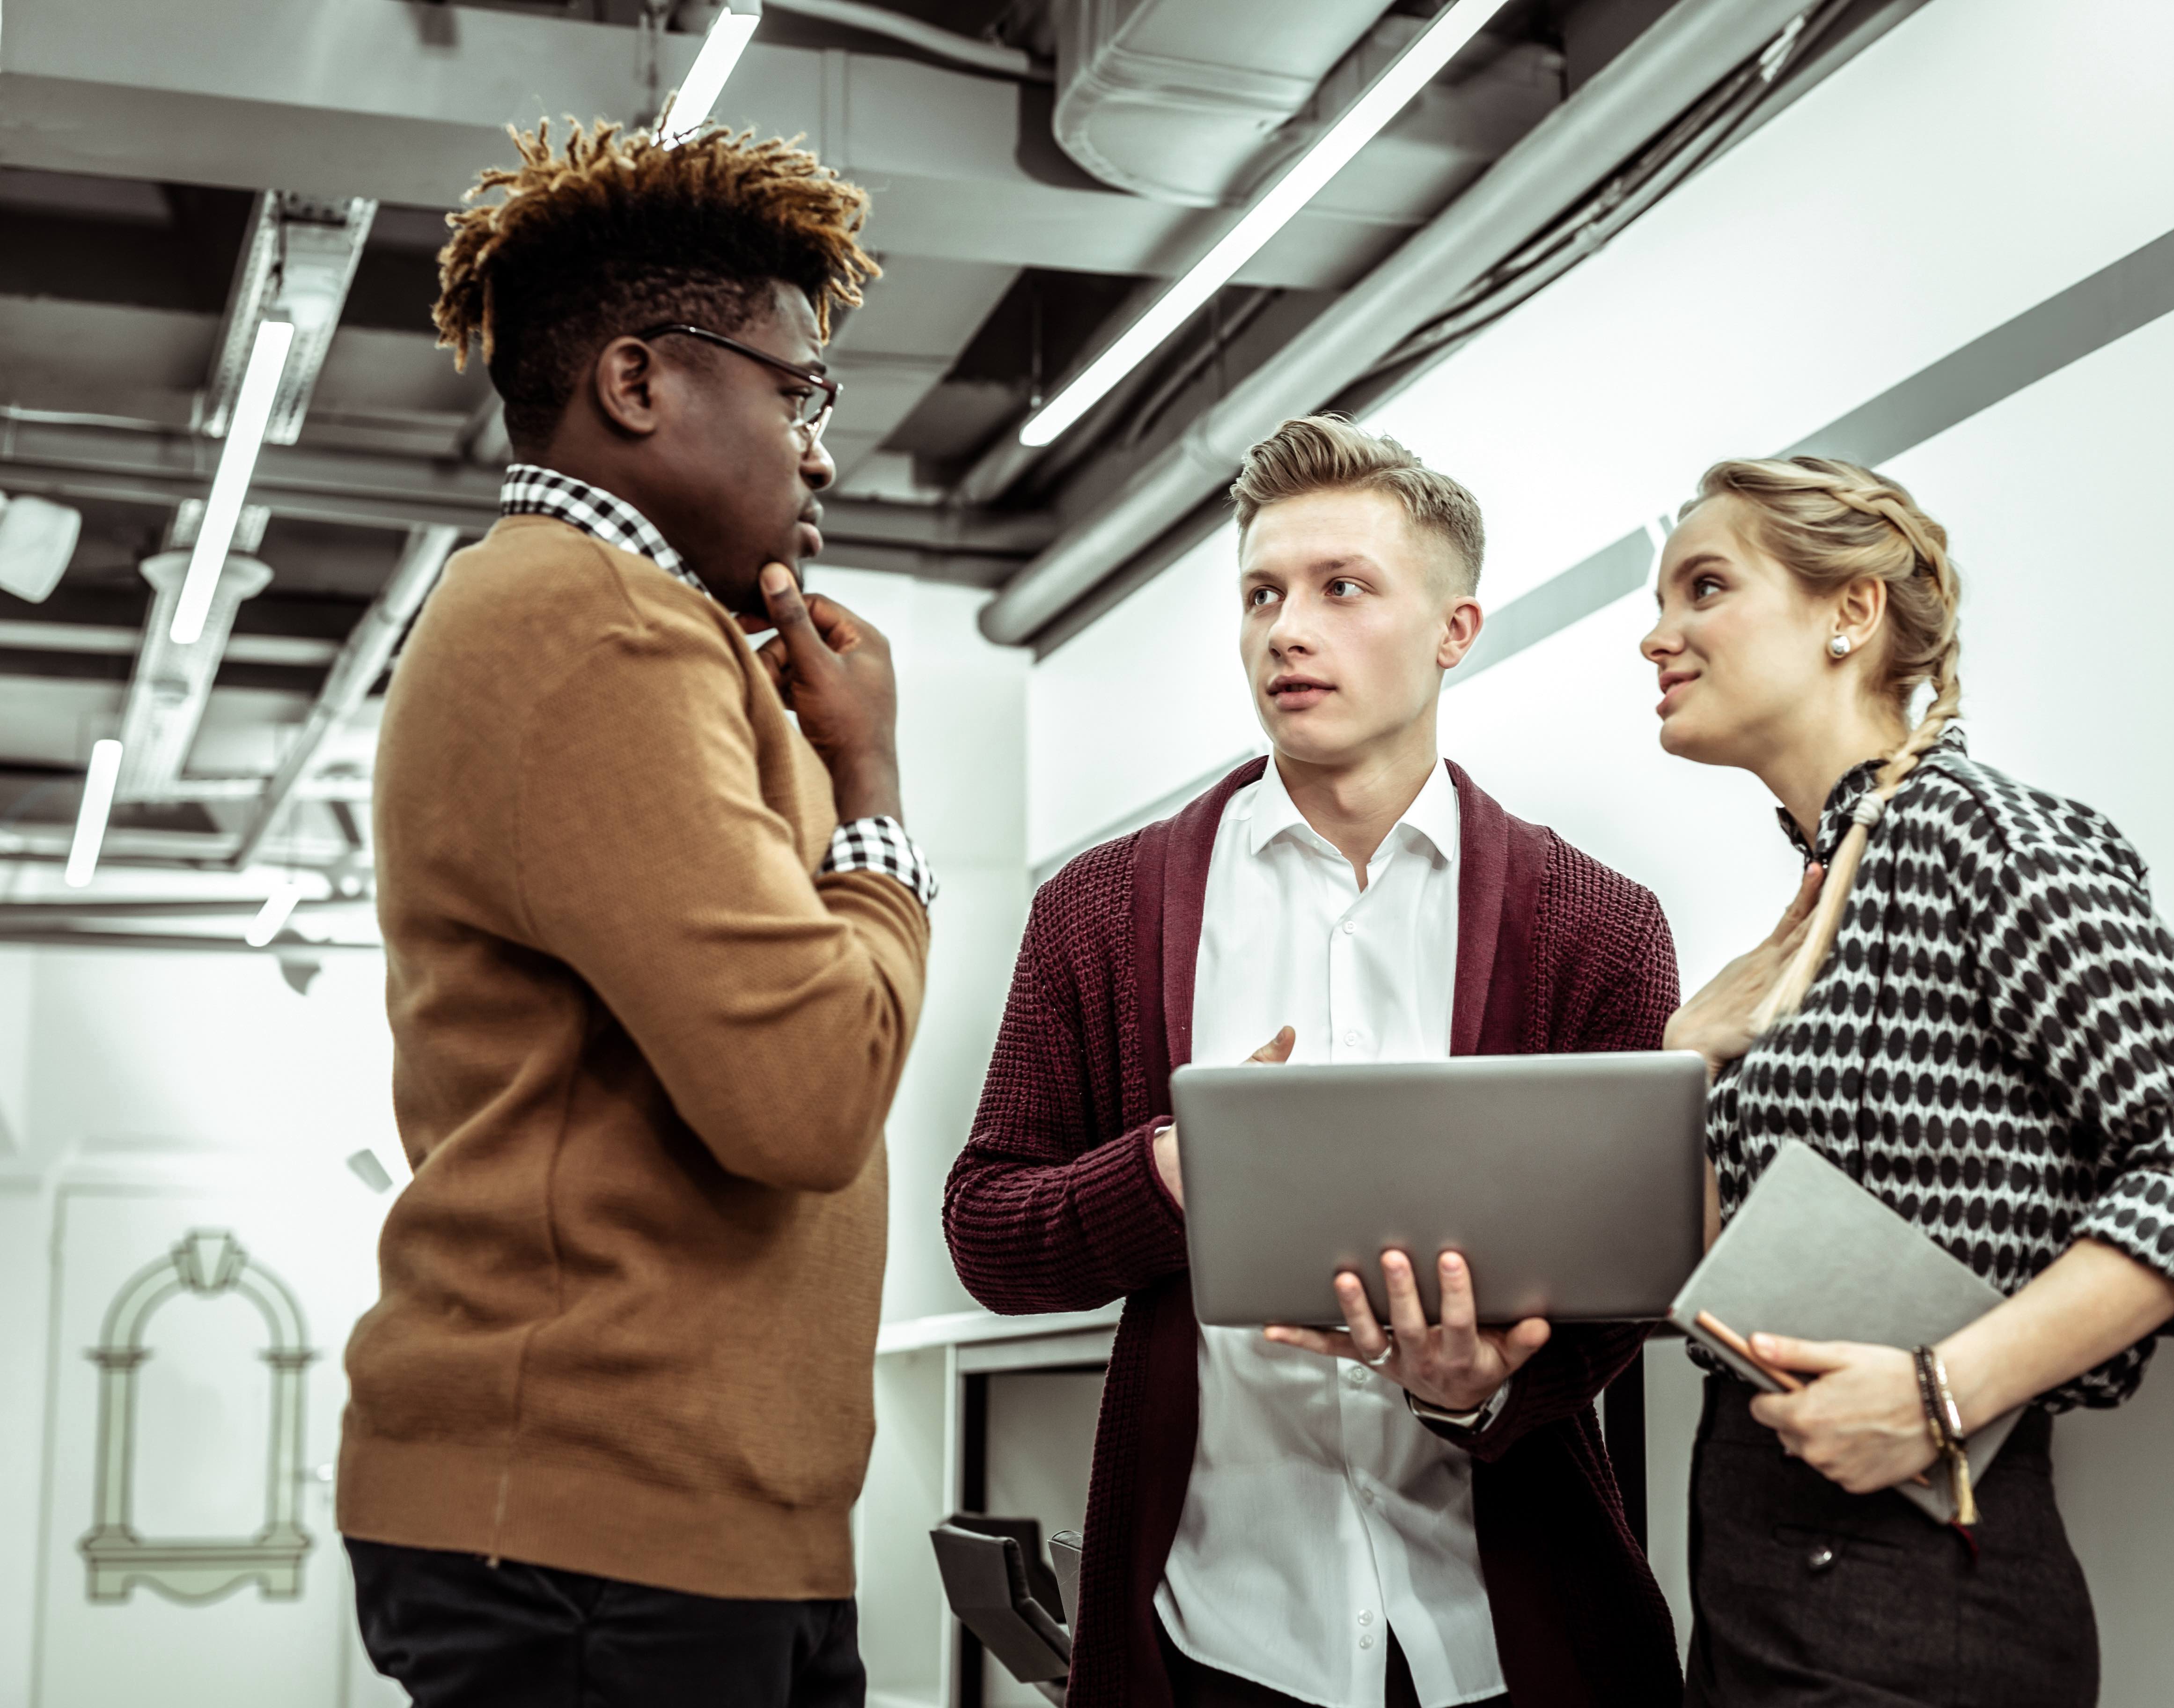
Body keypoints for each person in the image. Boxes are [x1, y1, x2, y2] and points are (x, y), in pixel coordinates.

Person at [947, 416, 1685, 1708]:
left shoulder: (1597, 922)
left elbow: (1635, 1278)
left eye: (1345, 589)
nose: (1290, 629)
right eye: (1262, 595)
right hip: (1212, 1635)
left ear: (1456, 629)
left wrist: (1480, 1392)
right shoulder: (1103, 909)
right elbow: (990, 1230)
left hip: (1498, 1638)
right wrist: (1171, 1173)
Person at [338, 120, 935, 1708]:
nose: (820, 449)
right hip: (604, 1537)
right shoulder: (598, 621)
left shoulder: (599, 623)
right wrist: (873, 788)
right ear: (637, 383)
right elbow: (808, 1095)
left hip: (667, 1522)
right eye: (795, 389)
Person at [1638, 455, 2174, 1706]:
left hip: (1915, 1586)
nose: (1656, 637)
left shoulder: (1988, 842)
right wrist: (1676, 1058)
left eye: (1705, 587)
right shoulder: (1810, 910)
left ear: (1851, 613)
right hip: (1755, 1571)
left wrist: (1942, 1395)